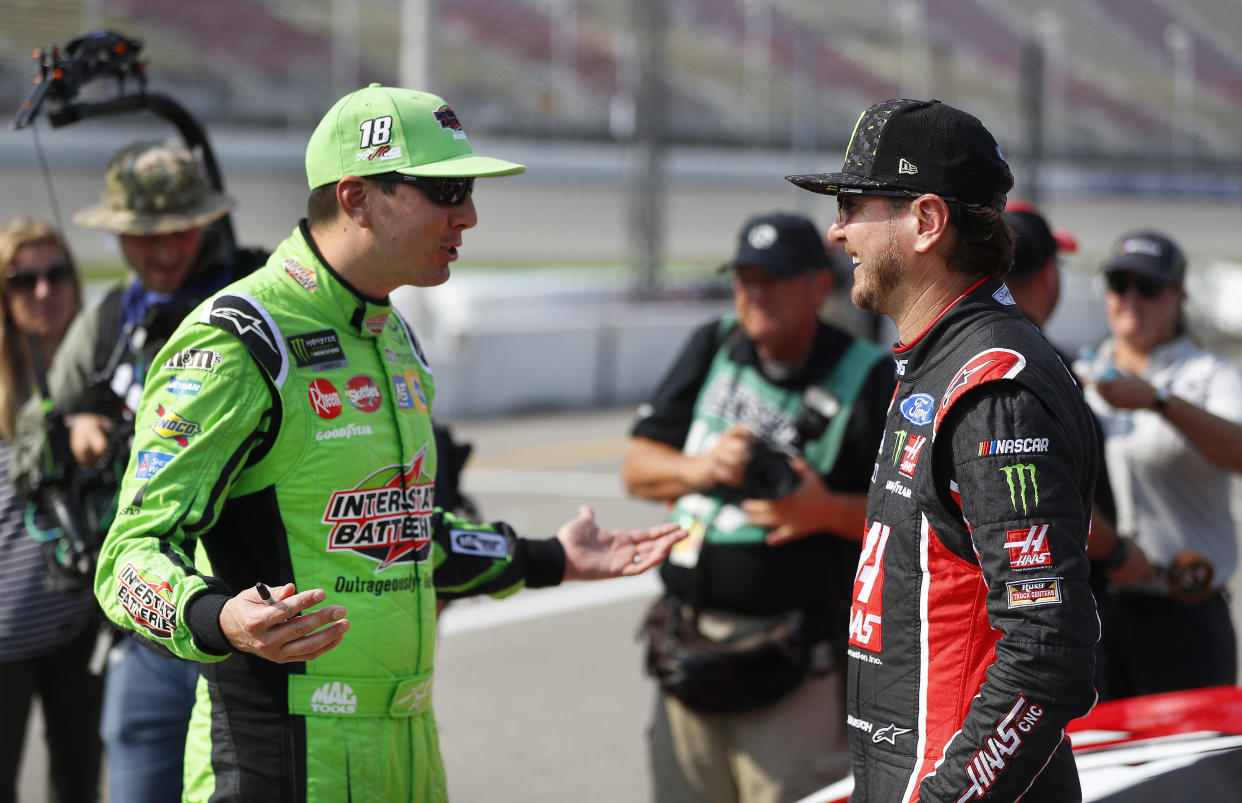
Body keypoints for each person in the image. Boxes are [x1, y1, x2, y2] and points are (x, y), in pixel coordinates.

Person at [90, 83, 685, 803]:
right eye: (445, 190)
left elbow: (400, 538)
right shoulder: (239, 339)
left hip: (407, 749)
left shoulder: (392, 332)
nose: (468, 214)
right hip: (281, 760)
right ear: (356, 197)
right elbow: (126, 558)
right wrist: (219, 617)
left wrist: (551, 558)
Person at [787, 98, 1100, 801]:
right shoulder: (937, 361)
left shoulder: (992, 386)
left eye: (852, 204)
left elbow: (1048, 652)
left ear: (926, 221)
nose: (837, 232)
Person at [12, 140, 267, 803]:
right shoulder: (106, 321)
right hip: (145, 628)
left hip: (252, 618)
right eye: (144, 235)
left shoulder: (260, 298)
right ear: (118, 234)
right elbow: (34, 432)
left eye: (181, 229)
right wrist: (70, 430)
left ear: (207, 222)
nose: (165, 251)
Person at [621, 211, 893, 802]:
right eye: (745, 277)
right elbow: (637, 468)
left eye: (773, 278)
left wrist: (823, 511)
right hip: (688, 643)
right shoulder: (715, 343)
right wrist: (701, 468)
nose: (754, 293)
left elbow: (910, 524)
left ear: (820, 285)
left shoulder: (868, 375)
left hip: (795, 661)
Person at [1080, 230, 1242, 697]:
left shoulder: (1209, 374)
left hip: (1184, 612)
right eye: (1119, 284)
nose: (1131, 299)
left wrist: (1157, 401)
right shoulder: (1078, 373)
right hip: (1098, 613)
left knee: (1194, 769)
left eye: (1148, 287)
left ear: (1178, 295)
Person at [0, 217, 101, 802]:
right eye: (23, 279)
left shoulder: (101, 367)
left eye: (56, 273)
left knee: (78, 784)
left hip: (80, 623)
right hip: (4, 632)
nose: (43, 291)